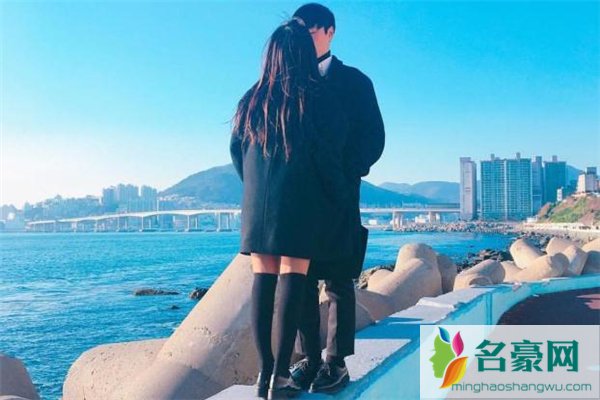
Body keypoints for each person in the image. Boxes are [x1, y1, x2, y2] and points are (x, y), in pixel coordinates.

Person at [230, 18, 353, 399]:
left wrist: (255, 188)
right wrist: (338, 194)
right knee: (291, 282)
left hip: (257, 206)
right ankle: (281, 377)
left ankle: (264, 373)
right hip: (299, 204)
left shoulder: (250, 100)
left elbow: (236, 151)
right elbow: (328, 156)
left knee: (262, 281)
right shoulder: (316, 96)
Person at [289, 3, 386, 395]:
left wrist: (347, 173)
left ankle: (336, 362)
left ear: (329, 31)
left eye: (310, 31)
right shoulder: (289, 82)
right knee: (299, 280)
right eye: (298, 32)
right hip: (299, 198)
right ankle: (309, 359)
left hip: (341, 196)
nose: (303, 39)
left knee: (339, 280)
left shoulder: (355, 81)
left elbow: (374, 137)